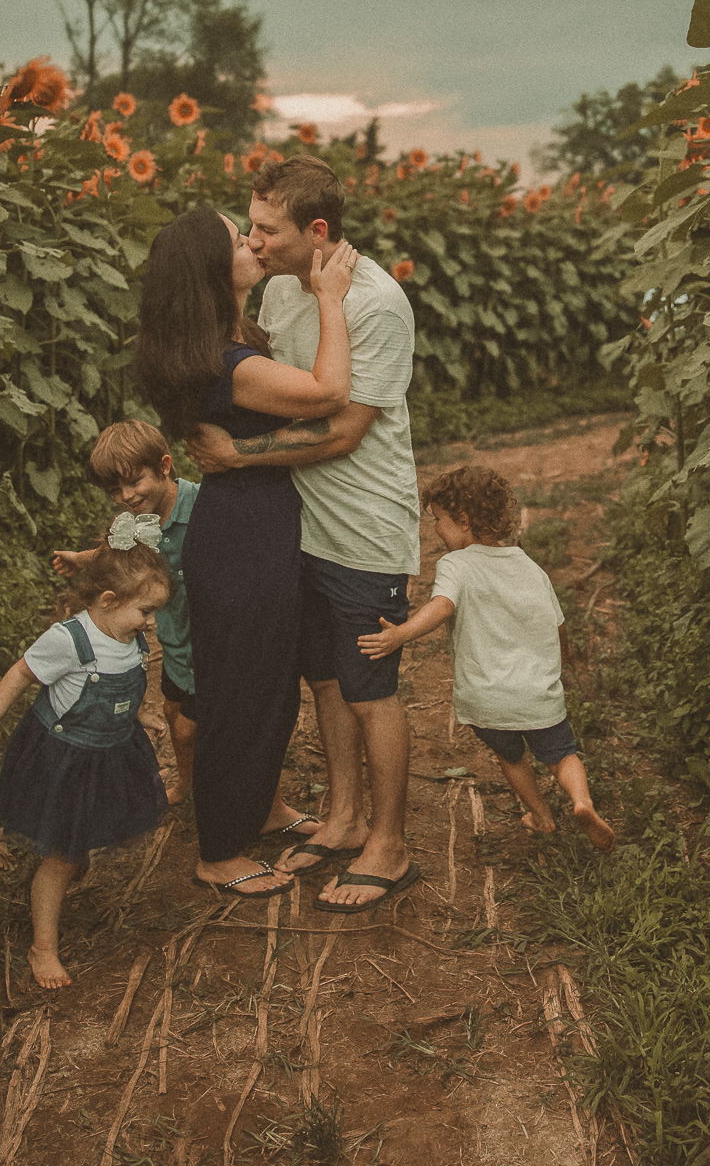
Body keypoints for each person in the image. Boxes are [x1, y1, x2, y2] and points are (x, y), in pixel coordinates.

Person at [190, 153, 422, 916]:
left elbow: (346, 429)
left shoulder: (376, 303)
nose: (253, 244)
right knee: (325, 678)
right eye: (248, 228)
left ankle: (389, 842)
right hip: (304, 525)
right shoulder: (289, 291)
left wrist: (235, 455)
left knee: (371, 689)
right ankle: (346, 816)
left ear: (316, 230)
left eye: (267, 231)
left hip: (363, 526)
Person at [134, 203, 359, 898]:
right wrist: (330, 300)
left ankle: (262, 806)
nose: (255, 244)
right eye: (241, 239)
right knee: (244, 692)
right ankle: (222, 852)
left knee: (266, 681)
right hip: (243, 536)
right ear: (212, 269)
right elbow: (328, 392)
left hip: (249, 523)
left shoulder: (233, 338)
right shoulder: (228, 364)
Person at [359, 464, 616, 854]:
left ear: (463, 521)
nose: (435, 530)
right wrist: (562, 663)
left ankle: (540, 814)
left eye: (439, 520)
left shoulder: (456, 565)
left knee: (510, 757)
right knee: (561, 755)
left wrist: (400, 634)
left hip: (487, 699)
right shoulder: (530, 567)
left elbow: (442, 605)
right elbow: (558, 625)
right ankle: (582, 802)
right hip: (538, 693)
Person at [0, 533, 173, 989]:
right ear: (110, 600)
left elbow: (123, 684)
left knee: (88, 825)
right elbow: (20, 673)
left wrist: (140, 713)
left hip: (111, 751)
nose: (151, 623)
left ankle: (72, 855)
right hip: (65, 757)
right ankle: (43, 947)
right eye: (145, 611)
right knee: (58, 853)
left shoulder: (127, 635)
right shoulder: (70, 640)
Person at [54, 420, 199, 805]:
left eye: (135, 482)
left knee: (189, 728)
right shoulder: (136, 523)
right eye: (116, 489)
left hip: (209, 644)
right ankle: (187, 783)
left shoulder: (203, 506)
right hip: (175, 643)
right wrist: (82, 559)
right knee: (172, 710)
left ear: (165, 466)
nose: (127, 496)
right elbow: (118, 555)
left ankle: (229, 794)